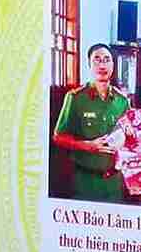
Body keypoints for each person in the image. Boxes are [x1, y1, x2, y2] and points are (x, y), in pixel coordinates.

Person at [56, 44, 131, 201]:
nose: (102, 65)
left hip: (115, 183)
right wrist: (87, 146)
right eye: (97, 60)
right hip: (85, 182)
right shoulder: (75, 98)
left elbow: (130, 140)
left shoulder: (122, 101)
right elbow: (58, 137)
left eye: (107, 60)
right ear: (89, 64)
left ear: (113, 65)